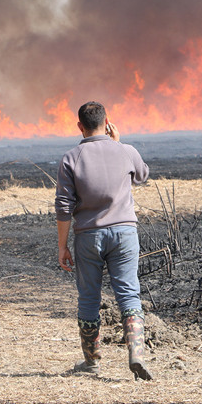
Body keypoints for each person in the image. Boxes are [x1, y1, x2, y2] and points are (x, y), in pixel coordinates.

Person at [55, 101, 153, 381]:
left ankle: (92, 362)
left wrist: (62, 245)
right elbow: (142, 175)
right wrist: (118, 144)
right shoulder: (126, 151)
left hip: (88, 236)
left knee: (89, 298)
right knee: (128, 294)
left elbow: (63, 206)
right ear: (107, 122)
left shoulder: (71, 158)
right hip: (125, 234)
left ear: (79, 126)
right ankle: (136, 354)